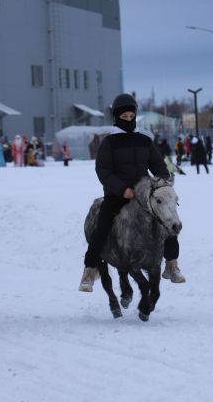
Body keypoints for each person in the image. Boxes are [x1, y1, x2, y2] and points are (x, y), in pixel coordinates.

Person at [79, 93, 186, 291]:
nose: (128, 120)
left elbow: (158, 165)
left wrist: (162, 183)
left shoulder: (144, 140)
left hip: (144, 196)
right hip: (117, 196)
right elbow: (103, 171)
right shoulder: (108, 143)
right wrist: (122, 190)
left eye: (131, 116)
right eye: (124, 117)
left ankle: (172, 265)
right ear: (117, 118)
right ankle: (89, 269)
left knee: (169, 221)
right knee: (101, 230)